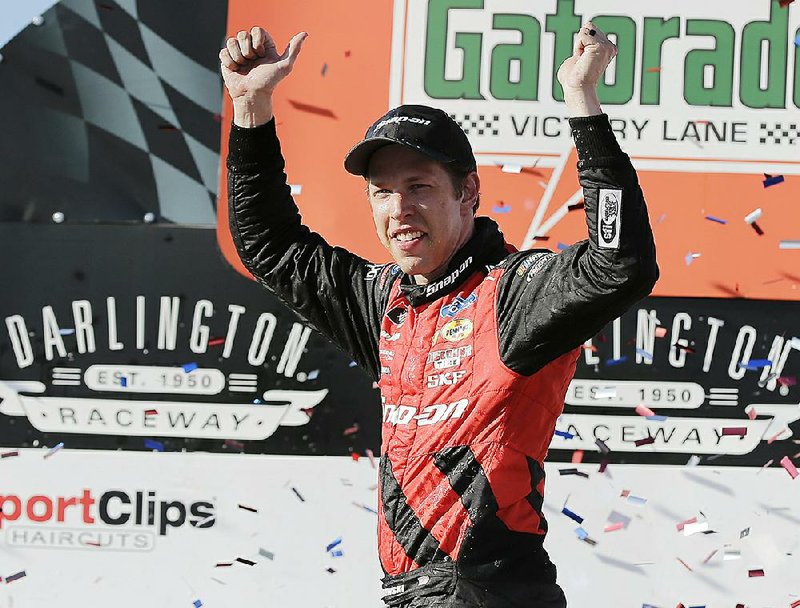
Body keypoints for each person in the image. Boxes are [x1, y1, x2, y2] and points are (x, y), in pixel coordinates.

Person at [220, 22, 658, 608]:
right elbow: (270, 245)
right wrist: (252, 107)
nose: (400, 209)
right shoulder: (385, 300)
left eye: (420, 186)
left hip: (489, 590)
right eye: (382, 191)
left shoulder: (513, 292)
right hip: (412, 593)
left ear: (468, 192)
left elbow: (620, 261)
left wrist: (583, 102)